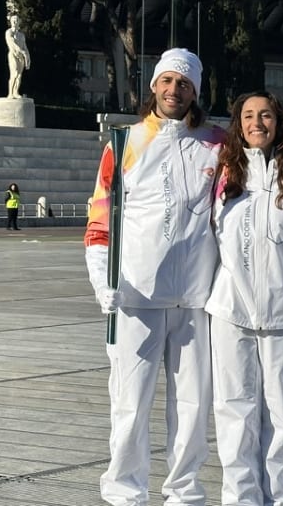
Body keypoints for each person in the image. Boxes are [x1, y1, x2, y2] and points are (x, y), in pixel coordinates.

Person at [83, 48, 224, 506]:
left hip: (196, 300)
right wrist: (102, 282)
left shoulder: (218, 144)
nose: (173, 90)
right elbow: (100, 222)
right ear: (153, 86)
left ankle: (184, 493)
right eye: (166, 81)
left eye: (183, 84)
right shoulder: (123, 145)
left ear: (195, 91)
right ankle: (125, 493)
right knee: (129, 405)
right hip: (136, 297)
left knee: (191, 407)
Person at [205, 91, 283, 506]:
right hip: (231, 310)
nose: (257, 123)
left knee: (280, 416)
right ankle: (240, 499)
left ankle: (278, 498)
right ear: (238, 124)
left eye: (265, 115)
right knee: (235, 411)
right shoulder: (223, 174)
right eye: (248, 116)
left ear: (279, 121)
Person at [5, 15, 31, 99]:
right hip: (13, 55)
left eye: (16, 20)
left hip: (21, 57)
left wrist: (28, 57)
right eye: (13, 20)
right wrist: (22, 51)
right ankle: (10, 93)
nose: (15, 22)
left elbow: (25, 47)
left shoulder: (21, 35)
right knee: (14, 73)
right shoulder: (9, 32)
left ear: (19, 22)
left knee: (19, 75)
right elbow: (12, 44)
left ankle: (15, 92)